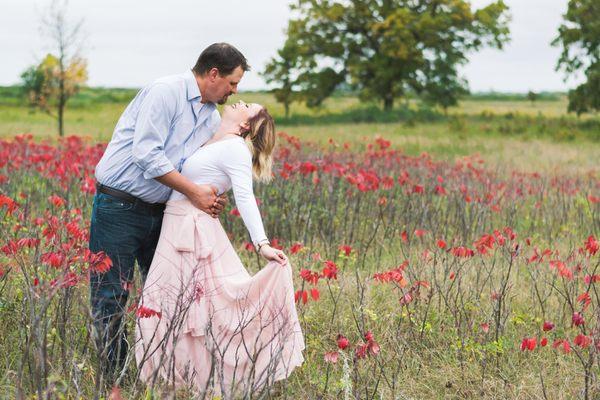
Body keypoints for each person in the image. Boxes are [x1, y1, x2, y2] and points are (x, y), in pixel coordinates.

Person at [89, 43, 249, 379]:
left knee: (166, 292)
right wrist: (193, 192)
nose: (234, 91)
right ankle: (113, 378)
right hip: (119, 205)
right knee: (111, 293)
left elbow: (191, 167)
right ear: (214, 73)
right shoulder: (165, 92)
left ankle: (158, 372)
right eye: (232, 83)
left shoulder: (209, 118)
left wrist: (209, 195)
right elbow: (147, 154)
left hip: (161, 211)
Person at [135, 101, 305, 398]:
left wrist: (261, 244)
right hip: (178, 226)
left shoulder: (235, 149)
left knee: (186, 306)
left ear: (245, 126)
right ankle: (177, 380)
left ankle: (193, 380)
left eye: (249, 106)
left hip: (193, 232)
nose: (241, 101)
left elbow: (245, 195)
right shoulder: (214, 136)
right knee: (173, 304)